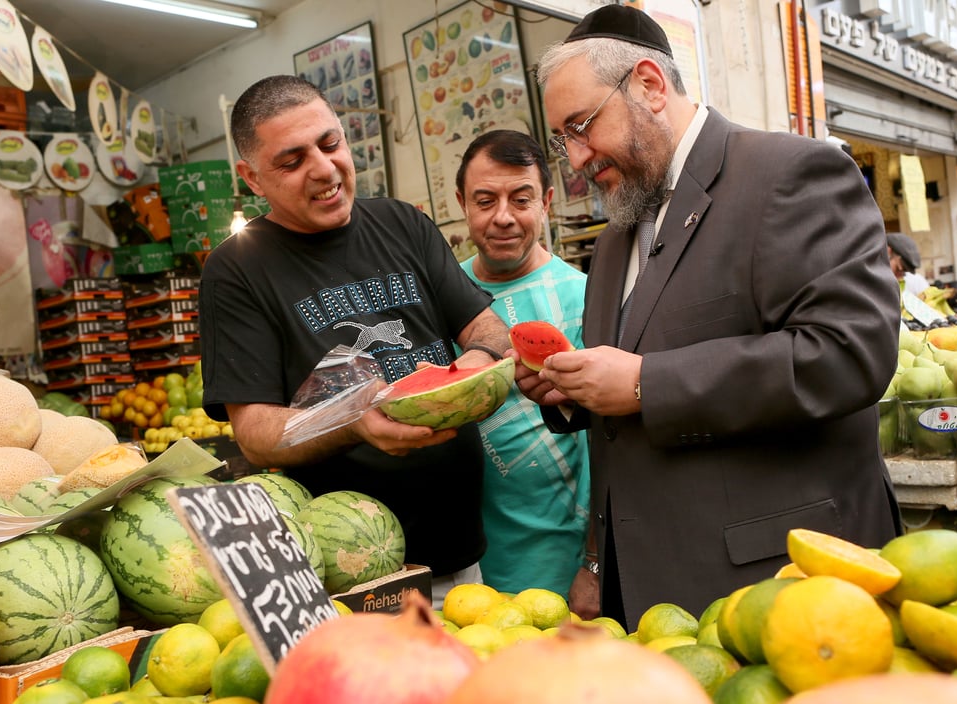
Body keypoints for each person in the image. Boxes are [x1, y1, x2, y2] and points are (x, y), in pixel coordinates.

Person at [519, 5, 902, 625]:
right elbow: (625, 382)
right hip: (653, 592)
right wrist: (571, 390)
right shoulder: (617, 230)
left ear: (648, 84)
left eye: (583, 125)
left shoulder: (790, 173)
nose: (577, 157)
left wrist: (646, 384)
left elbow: (850, 354)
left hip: (779, 586)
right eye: (564, 138)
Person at [199, 75, 512, 603]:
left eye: (330, 143)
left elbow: (485, 329)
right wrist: (353, 421)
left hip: (463, 558)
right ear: (251, 177)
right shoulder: (236, 270)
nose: (324, 169)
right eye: (292, 161)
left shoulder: (401, 223)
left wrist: (477, 367)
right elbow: (253, 430)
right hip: (352, 583)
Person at [454, 129, 591, 603]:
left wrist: (593, 563)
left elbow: (609, 443)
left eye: (522, 199)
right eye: (486, 200)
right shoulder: (446, 297)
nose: (504, 218)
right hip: (462, 559)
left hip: (562, 555)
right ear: (462, 203)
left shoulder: (585, 297)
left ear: (547, 202)